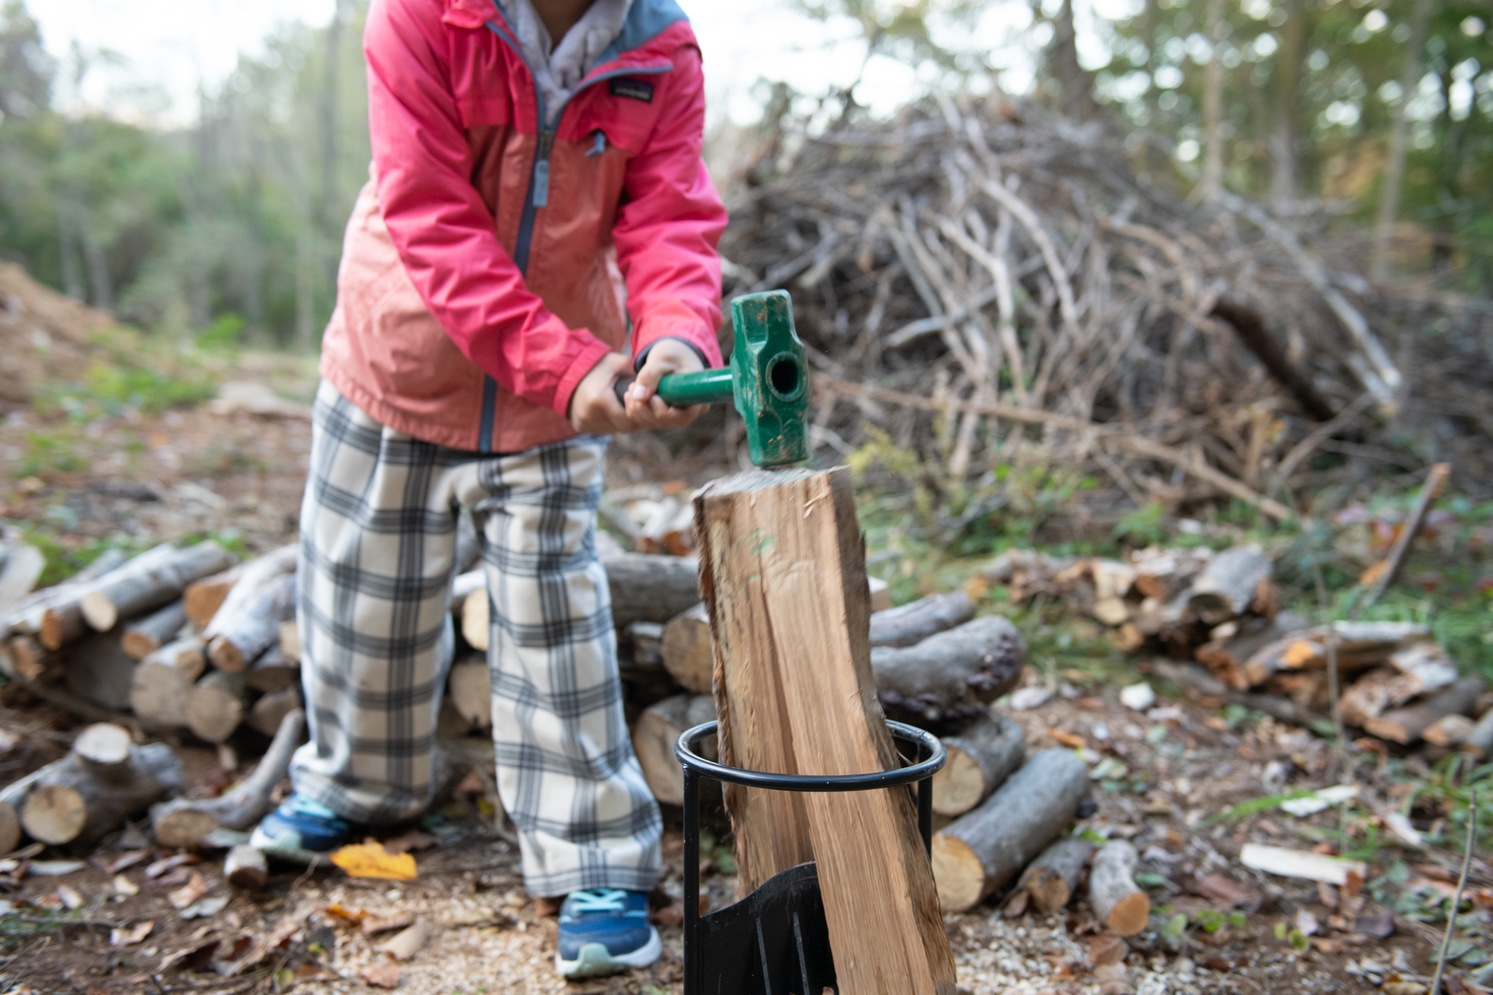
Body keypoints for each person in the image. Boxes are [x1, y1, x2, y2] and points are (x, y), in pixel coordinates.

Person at [247, 0, 727, 980]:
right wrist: (561, 361)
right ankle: (355, 786)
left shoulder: (660, 47)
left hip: (555, 408)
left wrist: (675, 329)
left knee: (555, 618)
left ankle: (593, 854)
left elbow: (668, 213)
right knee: (360, 613)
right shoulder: (421, 18)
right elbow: (430, 219)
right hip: (397, 368)